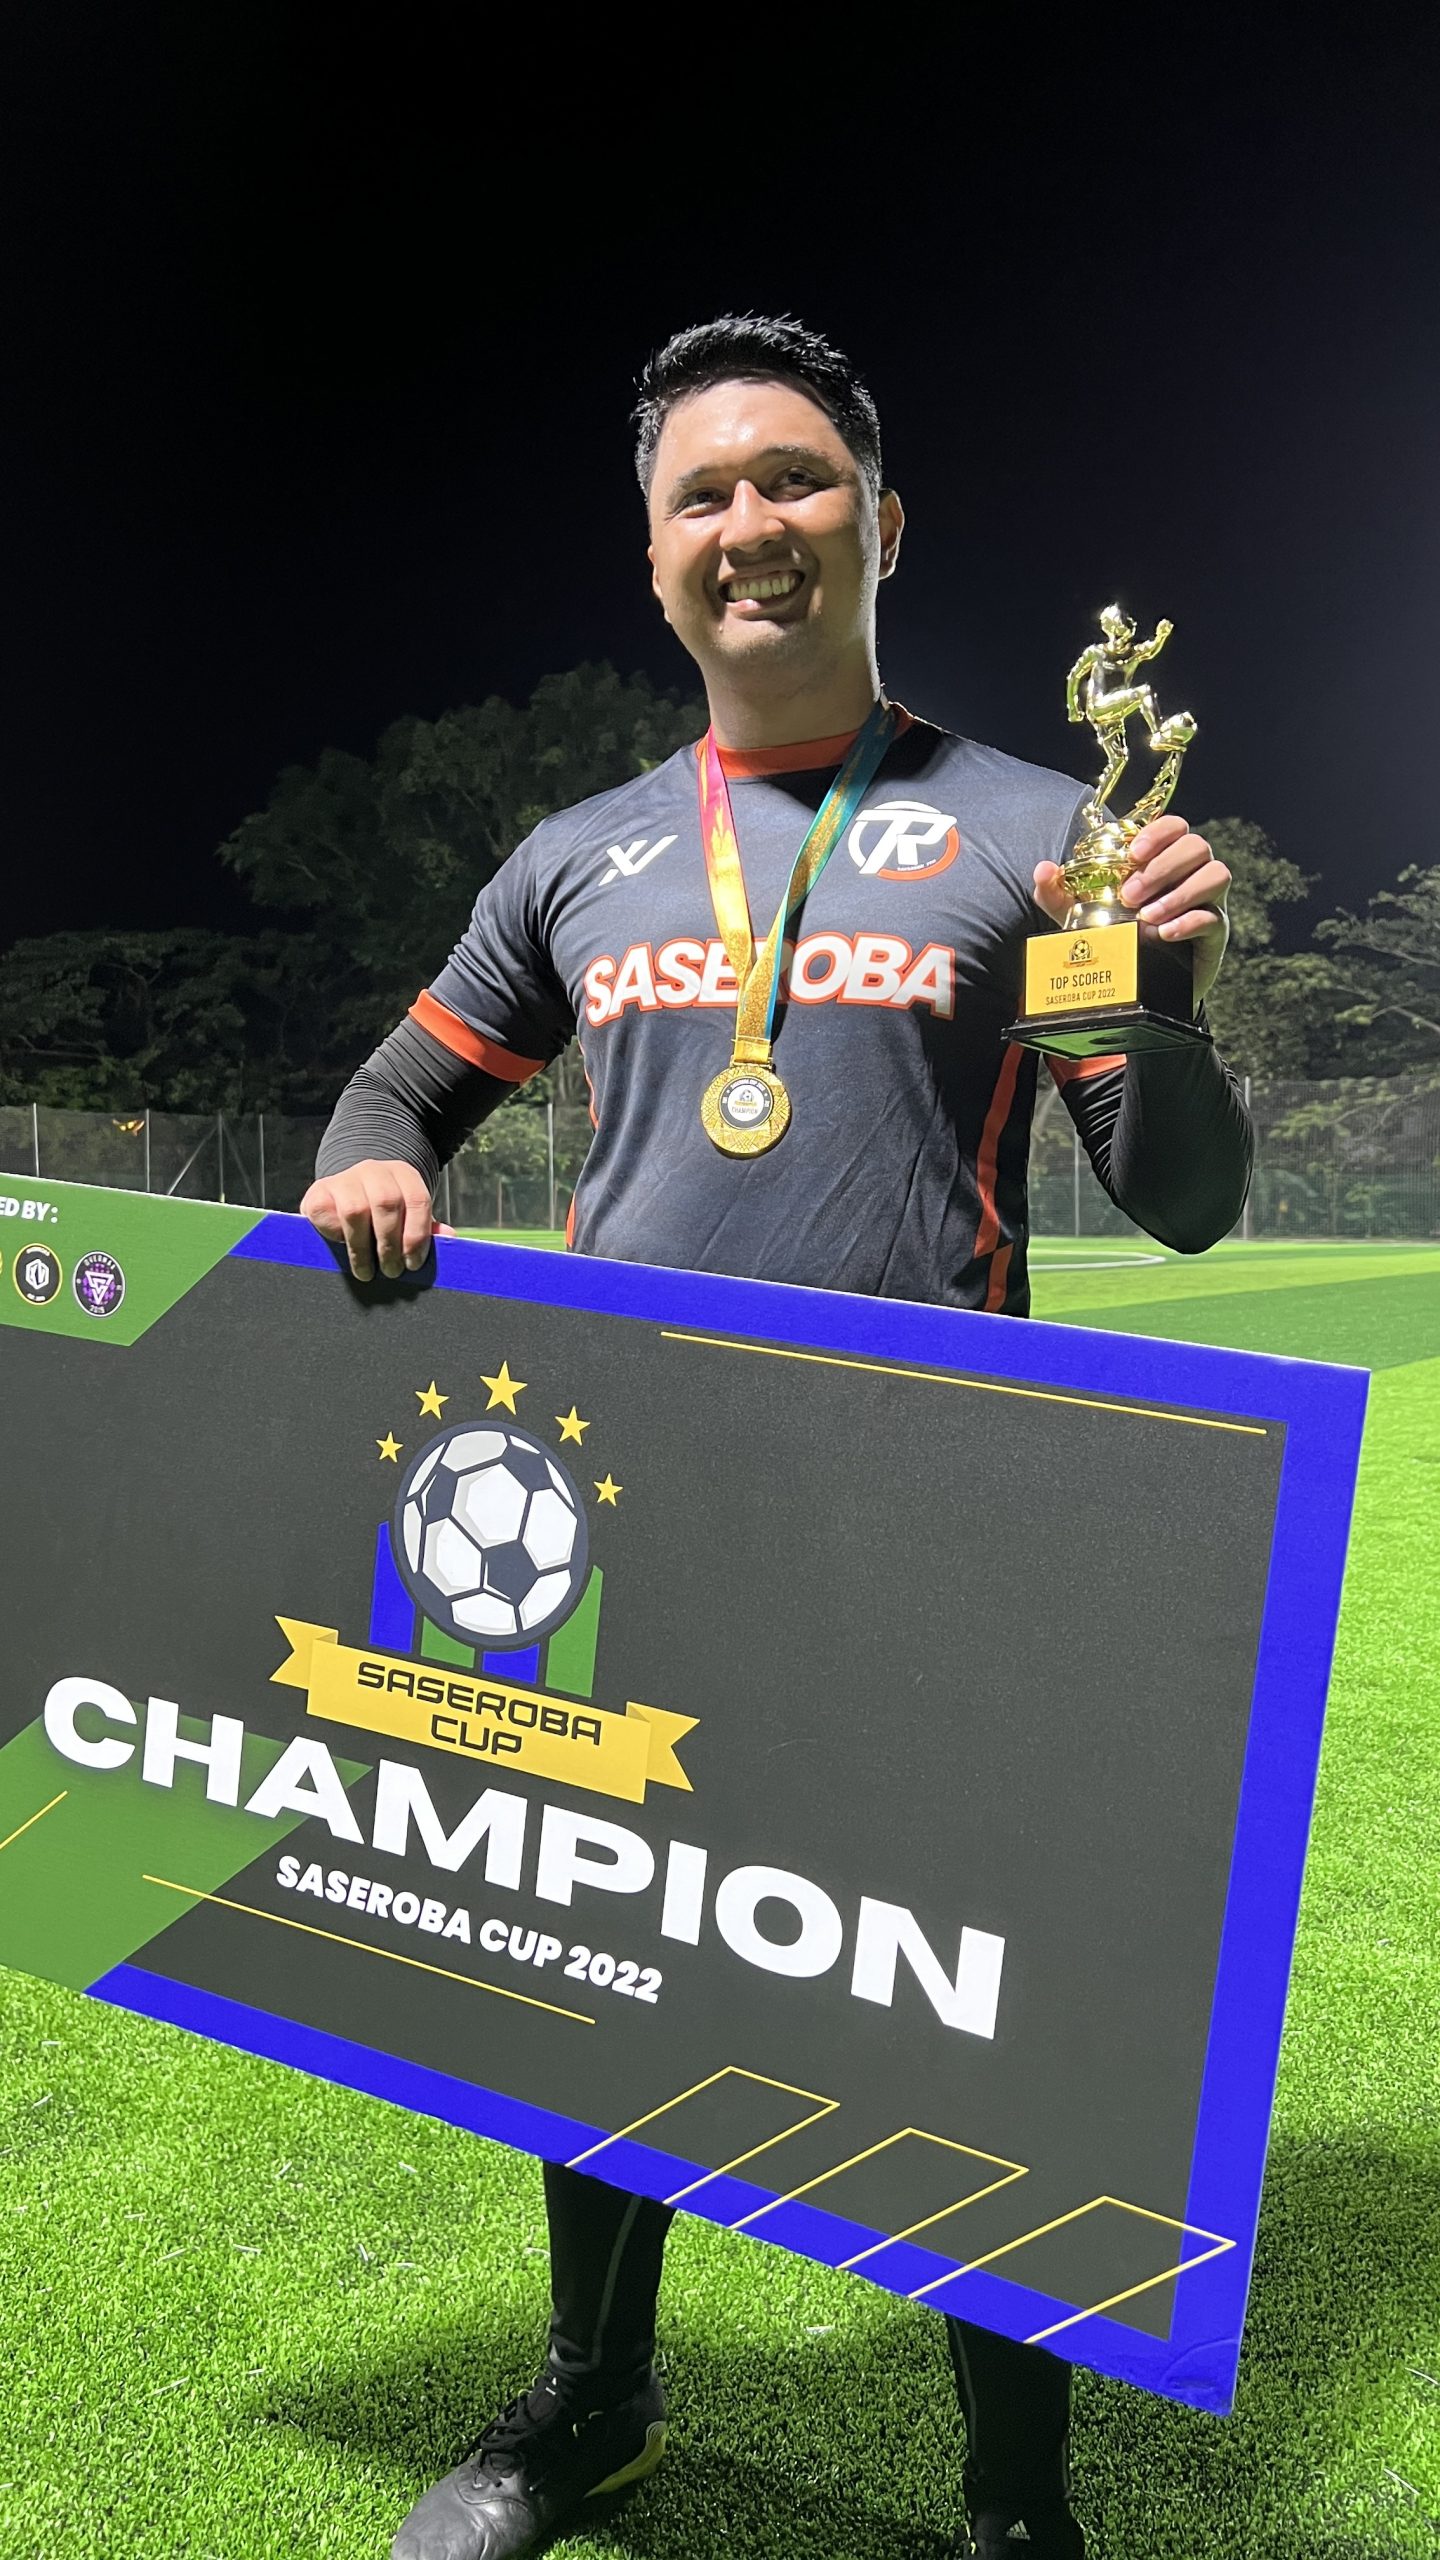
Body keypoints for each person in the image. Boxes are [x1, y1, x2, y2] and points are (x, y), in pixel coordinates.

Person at [304, 314, 1251, 2560]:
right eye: (704, 494)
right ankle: (596, 2398)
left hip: (941, 1529)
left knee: (962, 2019)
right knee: (601, 1973)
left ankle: (1013, 2499)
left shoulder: (1035, 832)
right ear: (655, 559)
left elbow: (1185, 1200)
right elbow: (397, 1086)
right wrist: (373, 1164)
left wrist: (1158, 1001)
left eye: (799, 479)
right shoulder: (580, 858)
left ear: (882, 525)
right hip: (634, 1519)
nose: (755, 524)